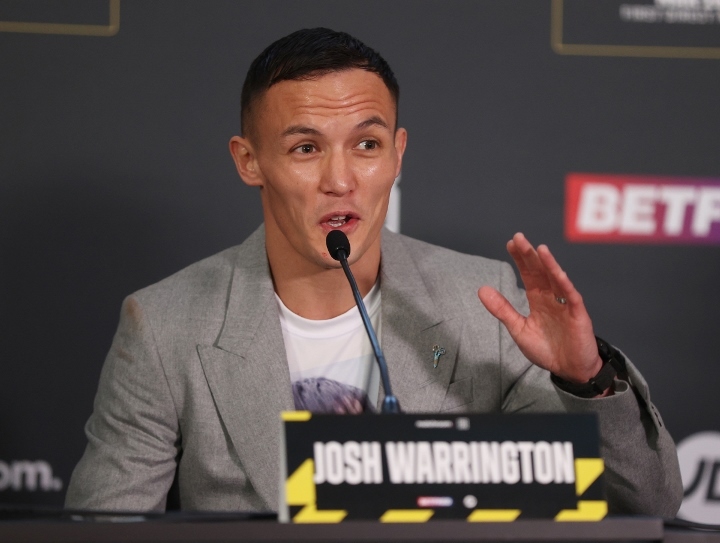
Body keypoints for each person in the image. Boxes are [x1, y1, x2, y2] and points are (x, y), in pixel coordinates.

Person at [65, 28, 682, 516]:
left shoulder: (482, 306)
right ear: (249, 161)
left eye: (366, 144)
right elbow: (104, 532)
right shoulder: (166, 327)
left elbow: (645, 505)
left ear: (397, 154)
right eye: (306, 148)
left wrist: (586, 381)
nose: (341, 180)